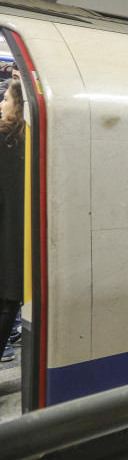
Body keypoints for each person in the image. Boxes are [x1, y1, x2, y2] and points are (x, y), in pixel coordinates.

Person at [0, 82, 25, 363]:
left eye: (5, 99)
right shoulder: (29, 141)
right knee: (9, 301)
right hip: (18, 238)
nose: (1, 104)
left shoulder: (3, 139)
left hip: (5, 232)